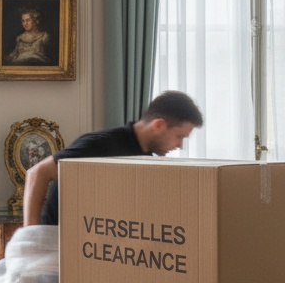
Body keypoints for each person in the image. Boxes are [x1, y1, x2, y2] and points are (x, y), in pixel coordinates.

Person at [22, 90, 204, 227]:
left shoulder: (148, 159)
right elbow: (37, 173)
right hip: (59, 247)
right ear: (159, 125)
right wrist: (31, 241)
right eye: (180, 136)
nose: (180, 145)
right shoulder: (100, 144)